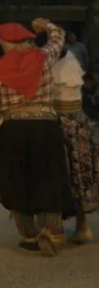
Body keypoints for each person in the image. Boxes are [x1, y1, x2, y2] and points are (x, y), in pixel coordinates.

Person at [0, 19, 74, 255]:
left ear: (7, 44)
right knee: (49, 175)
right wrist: (46, 26)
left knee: (15, 178)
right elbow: (59, 38)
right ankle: (51, 230)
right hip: (45, 124)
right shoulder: (43, 58)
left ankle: (30, 232)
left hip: (13, 128)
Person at [52, 48, 99, 243]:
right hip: (79, 122)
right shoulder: (72, 61)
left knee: (59, 174)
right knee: (80, 174)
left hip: (59, 123)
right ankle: (82, 225)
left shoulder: (49, 64)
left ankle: (57, 227)